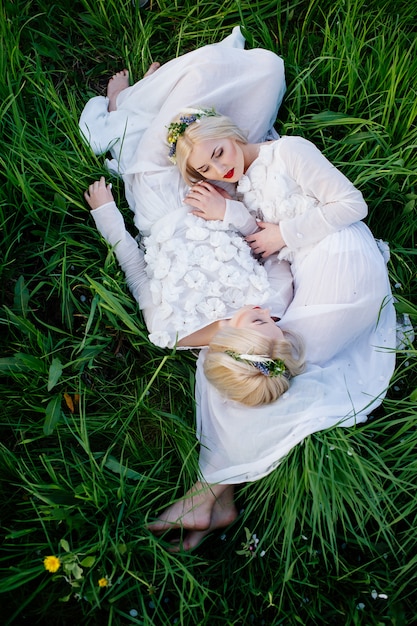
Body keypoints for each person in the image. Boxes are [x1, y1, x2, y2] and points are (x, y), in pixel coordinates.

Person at [80, 29, 397, 549]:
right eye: (206, 167)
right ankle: (212, 497)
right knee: (235, 366)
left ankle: (210, 496)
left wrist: (278, 234)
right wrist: (239, 218)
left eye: (220, 154)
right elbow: (236, 220)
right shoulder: (236, 183)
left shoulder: (287, 151)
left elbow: (350, 206)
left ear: (229, 132)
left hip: (336, 267)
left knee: (239, 369)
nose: (218, 169)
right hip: (307, 270)